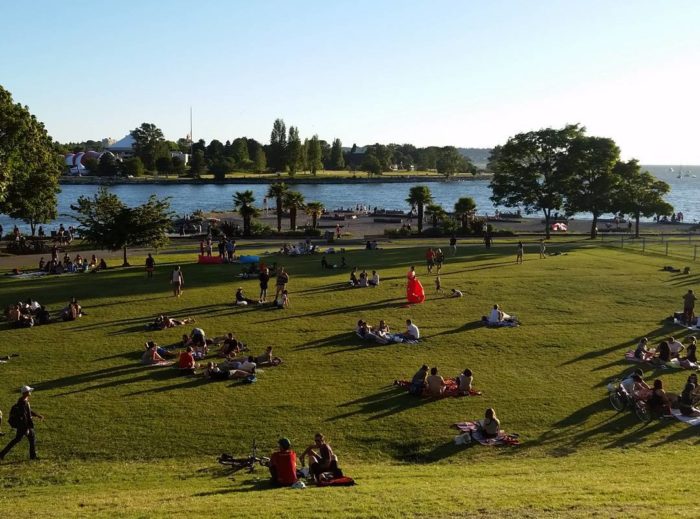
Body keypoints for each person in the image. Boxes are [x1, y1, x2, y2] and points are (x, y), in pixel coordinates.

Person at [0, 386, 44, 460]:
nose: (30, 392)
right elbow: (24, 417)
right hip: (24, 425)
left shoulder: (24, 400)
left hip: (24, 425)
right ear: (25, 393)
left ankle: (2, 454)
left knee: (18, 440)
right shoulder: (22, 403)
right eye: (29, 391)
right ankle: (33, 456)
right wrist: (26, 429)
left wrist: (37, 415)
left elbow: (28, 411)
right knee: (29, 438)